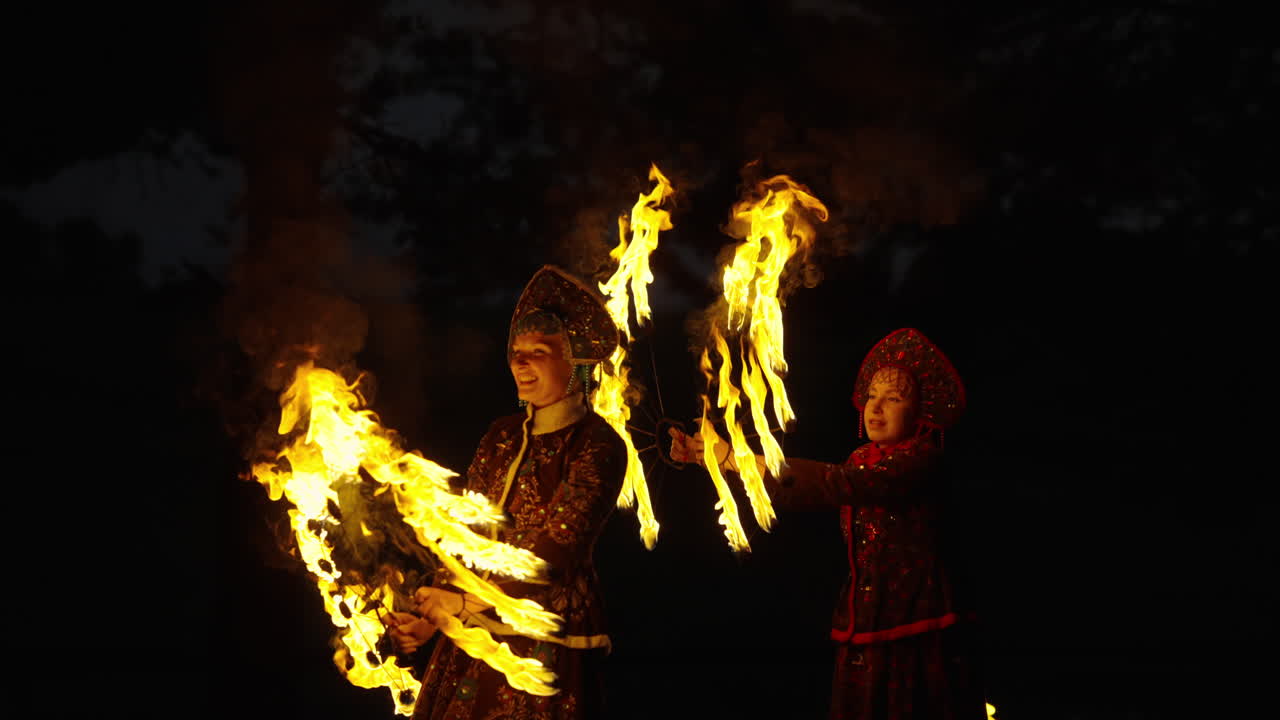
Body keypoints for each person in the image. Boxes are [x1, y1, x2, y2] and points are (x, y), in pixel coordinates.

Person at [670, 327, 985, 719]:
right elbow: (815, 488)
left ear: (917, 411)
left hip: (915, 627)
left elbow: (831, 483)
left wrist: (734, 457)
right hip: (863, 619)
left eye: (893, 399)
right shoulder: (860, 458)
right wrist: (711, 457)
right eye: (872, 397)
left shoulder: (920, 462)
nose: (876, 408)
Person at [389, 265, 627, 719]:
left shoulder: (598, 445)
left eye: (538, 352)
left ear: (574, 362)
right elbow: (466, 532)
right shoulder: (501, 435)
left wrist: (462, 603)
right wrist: (429, 617)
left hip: (543, 640)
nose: (520, 363)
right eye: (517, 352)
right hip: (470, 633)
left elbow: (555, 551)